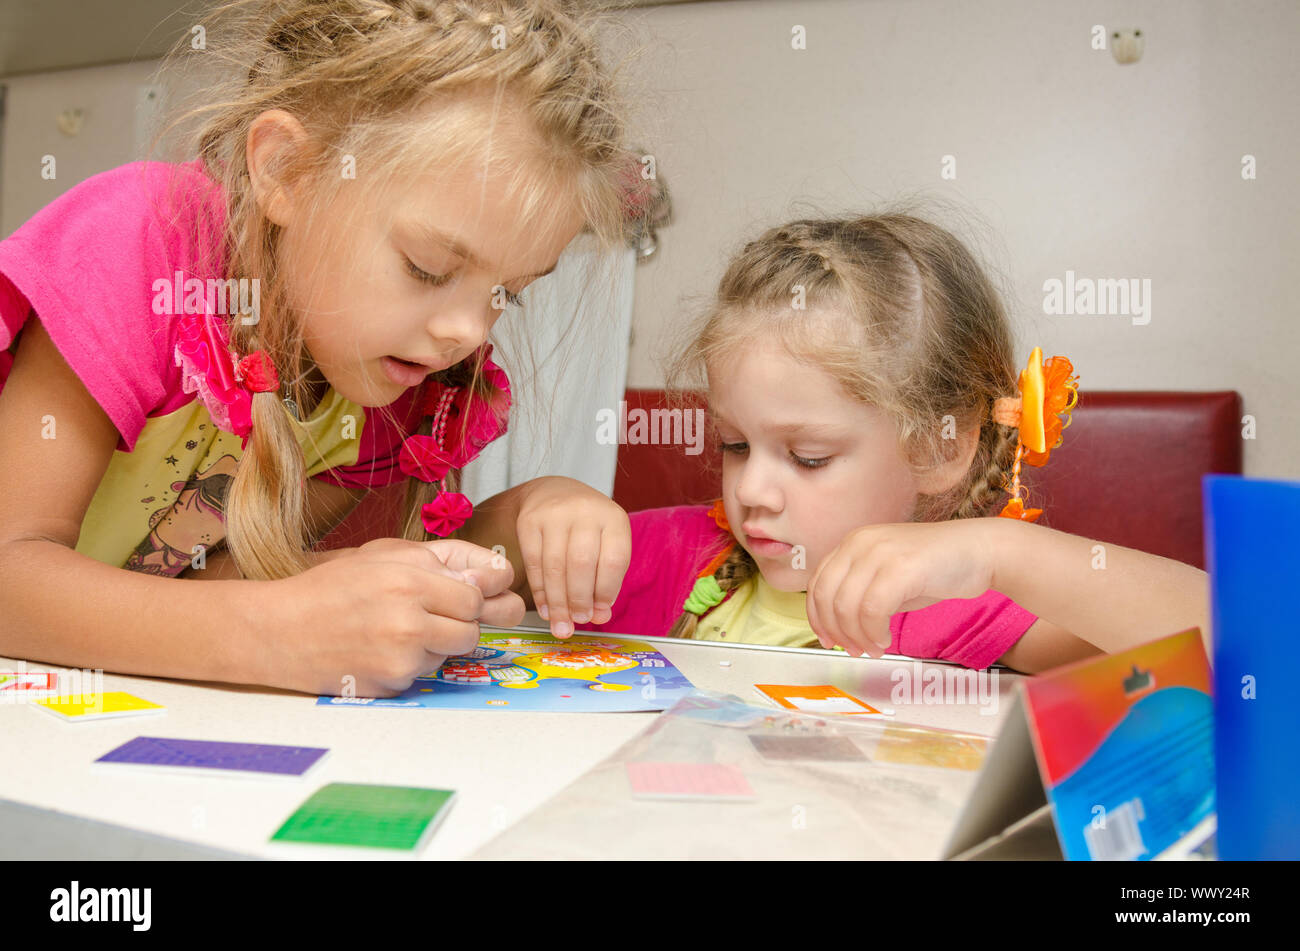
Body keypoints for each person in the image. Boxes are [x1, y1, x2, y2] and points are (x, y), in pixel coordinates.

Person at [0, 0, 633, 697]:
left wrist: (465, 552)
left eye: (507, 291)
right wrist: (274, 632)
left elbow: (212, 579)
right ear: (286, 171)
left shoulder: (387, 379)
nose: (470, 333)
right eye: (427, 267)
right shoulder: (139, 249)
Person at [577, 214, 1208, 673]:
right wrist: (540, 507)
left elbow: (1244, 643)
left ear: (938, 448)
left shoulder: (948, 606)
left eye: (808, 457)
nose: (750, 490)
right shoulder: (686, 556)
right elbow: (495, 558)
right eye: (735, 445)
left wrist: (1002, 551)